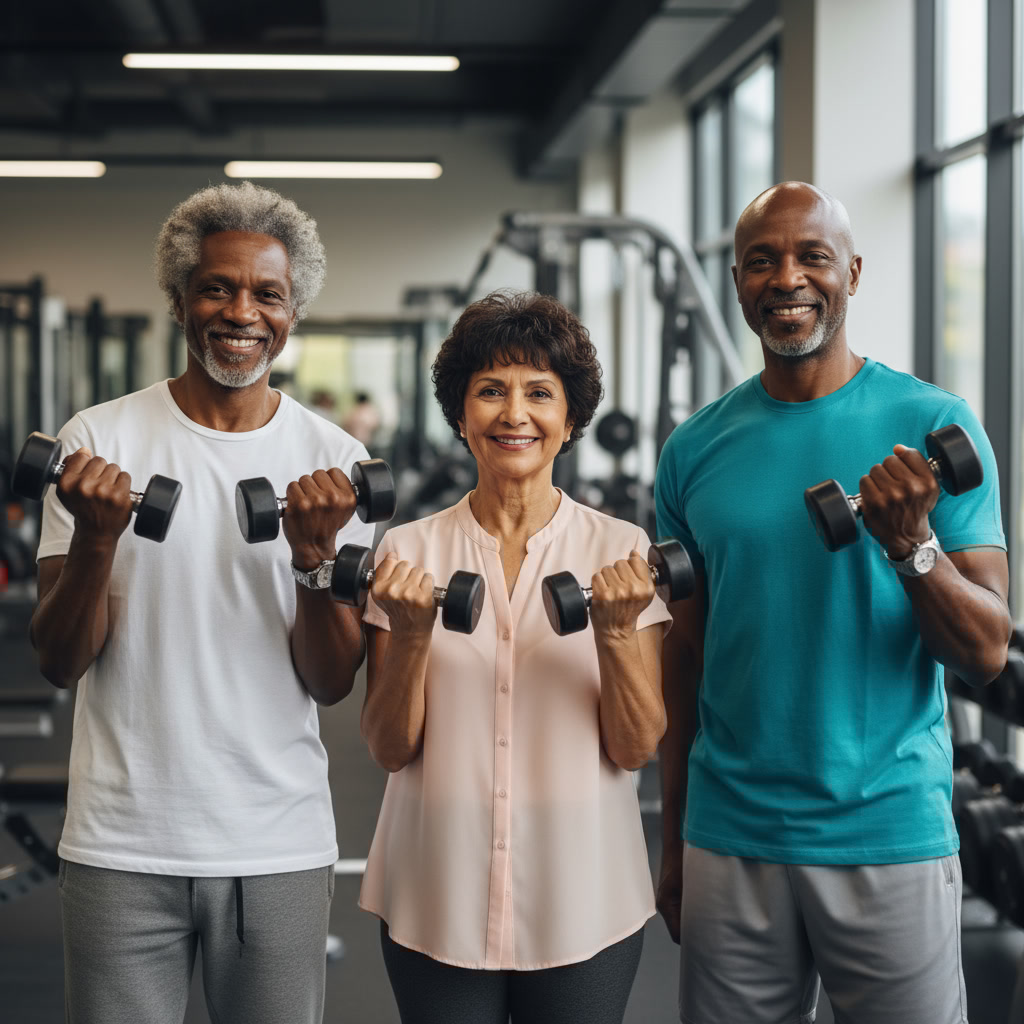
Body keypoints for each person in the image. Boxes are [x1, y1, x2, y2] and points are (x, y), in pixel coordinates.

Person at [654, 181, 1011, 1024]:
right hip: (732, 834)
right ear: (738, 282)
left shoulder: (932, 421)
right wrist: (673, 840)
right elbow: (684, 657)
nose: (787, 279)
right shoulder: (693, 450)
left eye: (812, 257)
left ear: (851, 272)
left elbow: (987, 652)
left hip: (888, 831)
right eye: (762, 261)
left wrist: (912, 547)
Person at [30, 181, 375, 1024]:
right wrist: (99, 540)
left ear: (293, 313)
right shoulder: (95, 442)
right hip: (121, 838)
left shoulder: (336, 463)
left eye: (267, 294)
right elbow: (59, 660)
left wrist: (313, 555)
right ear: (180, 299)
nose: (242, 312)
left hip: (276, 837)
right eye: (217, 288)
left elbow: (331, 681)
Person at [358, 290, 671, 1024]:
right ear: (461, 413)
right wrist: (410, 635)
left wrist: (615, 633)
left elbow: (635, 747)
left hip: (585, 897)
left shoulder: (622, 550)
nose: (514, 414)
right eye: (491, 391)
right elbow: (389, 747)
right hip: (436, 889)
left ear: (571, 418)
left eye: (539, 392)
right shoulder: (407, 552)